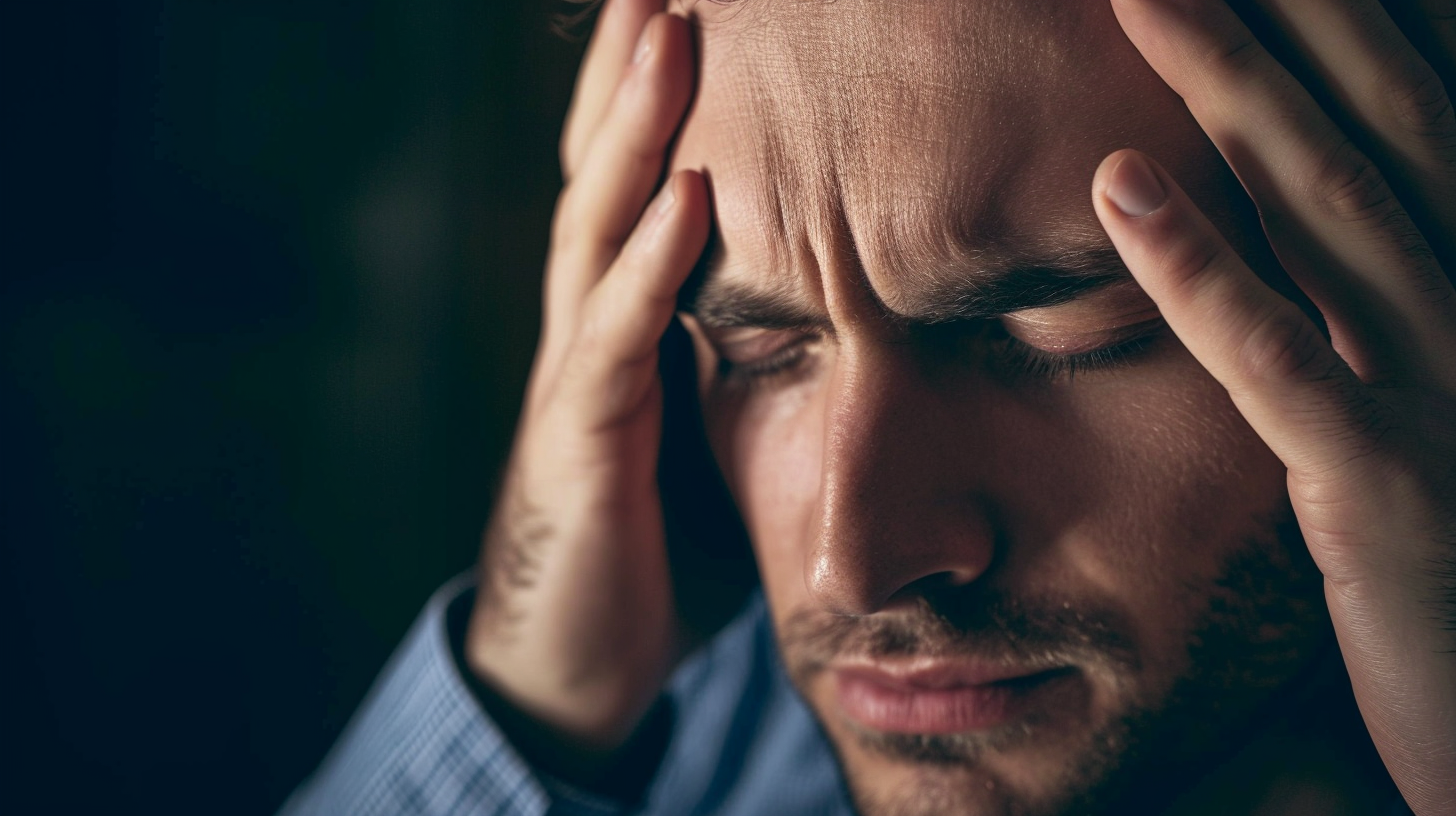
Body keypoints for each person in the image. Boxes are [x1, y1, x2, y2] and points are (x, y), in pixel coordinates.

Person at [280, 0, 1456, 813]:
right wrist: (526, 702)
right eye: (759, 348)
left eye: (1052, 334)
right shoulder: (672, 743)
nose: (853, 561)